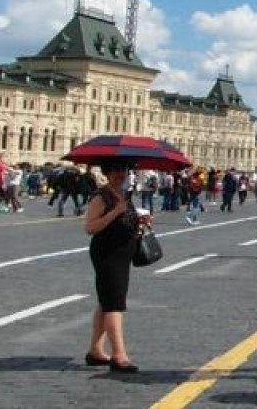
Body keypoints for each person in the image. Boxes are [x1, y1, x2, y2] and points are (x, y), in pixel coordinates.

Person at [84, 159, 146, 373]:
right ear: (107, 173)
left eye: (123, 170)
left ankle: (95, 350)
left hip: (122, 253)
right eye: (116, 171)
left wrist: (141, 222)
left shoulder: (124, 195)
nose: (121, 174)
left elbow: (125, 221)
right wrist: (115, 212)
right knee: (115, 305)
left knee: (106, 302)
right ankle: (119, 355)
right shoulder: (101, 196)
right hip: (107, 254)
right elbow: (90, 227)